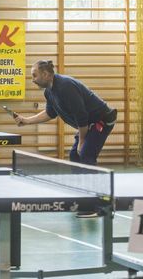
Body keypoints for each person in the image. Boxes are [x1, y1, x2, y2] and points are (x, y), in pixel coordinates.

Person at [13, 60, 117, 217]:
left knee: (86, 154)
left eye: (34, 75)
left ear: (46, 74)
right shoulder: (49, 92)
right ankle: (82, 197)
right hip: (88, 123)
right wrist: (26, 120)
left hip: (101, 120)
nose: (32, 80)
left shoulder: (65, 87)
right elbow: (50, 113)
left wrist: (82, 141)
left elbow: (81, 116)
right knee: (74, 155)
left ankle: (97, 205)